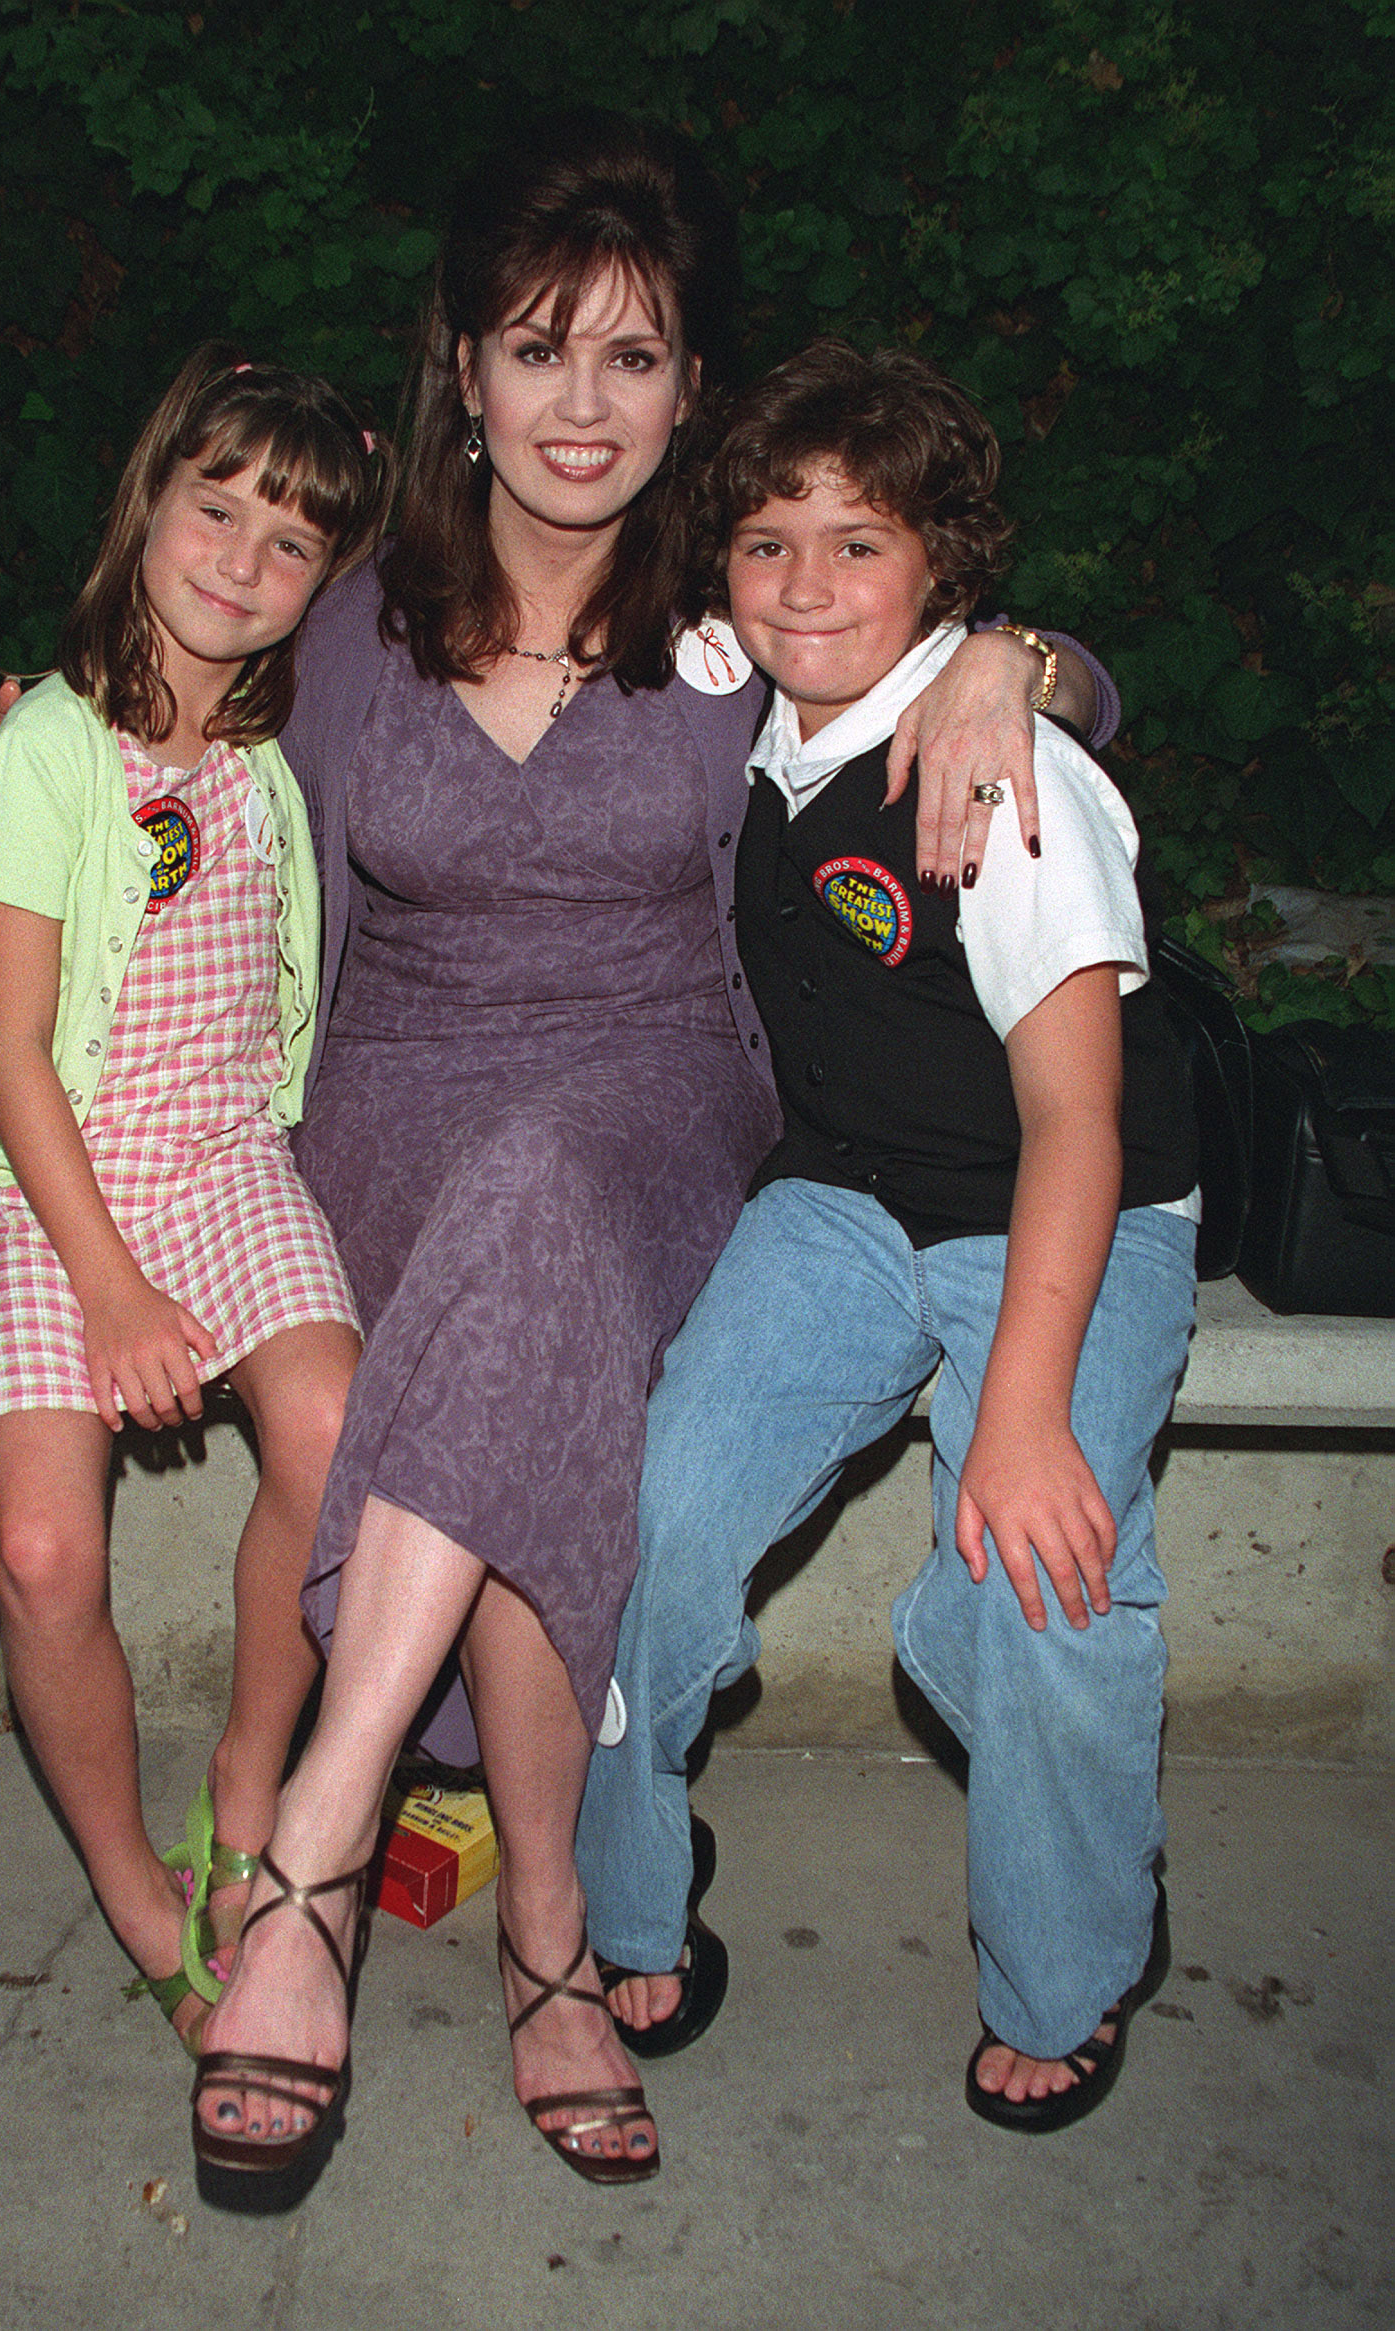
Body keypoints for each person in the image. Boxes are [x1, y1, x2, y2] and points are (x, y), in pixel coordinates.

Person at [0, 117, 1114, 2189]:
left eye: (638, 358)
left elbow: (968, 649)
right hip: (382, 1100)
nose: (586, 405)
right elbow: (145, 738)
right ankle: (548, 1938)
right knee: (499, 1248)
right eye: (538, 348)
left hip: (663, 1089)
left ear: (691, 388)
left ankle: (318, 1844)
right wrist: (9, 738)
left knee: (544, 1200)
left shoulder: (736, 617)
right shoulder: (346, 620)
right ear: (461, 367)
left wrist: (1033, 673)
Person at [575, 337, 1198, 2133]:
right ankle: (634, 1889)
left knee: (1039, 1572)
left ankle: (1075, 1952)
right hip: (842, 1192)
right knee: (655, 1510)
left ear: (943, 564)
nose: (807, 584)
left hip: (1060, 1206)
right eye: (768, 542)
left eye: (861, 545)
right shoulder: (739, 673)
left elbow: (1076, 1119)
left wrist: (1016, 1415)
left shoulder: (993, 771)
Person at [0, 346, 390, 2054]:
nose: (241, 564)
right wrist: (112, 1291)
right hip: (56, 1181)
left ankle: (250, 1782)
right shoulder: (51, 743)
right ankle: (134, 1887)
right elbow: (14, 1053)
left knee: (336, 1428)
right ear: (148, 507)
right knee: (46, 1550)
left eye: (289, 544)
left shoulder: (272, 755)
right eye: (217, 513)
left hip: (222, 1159)